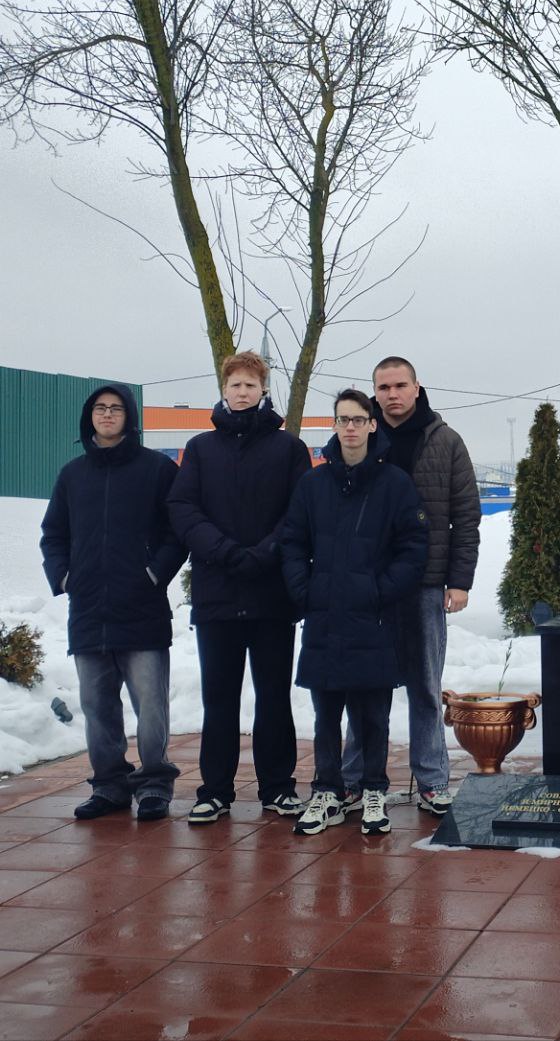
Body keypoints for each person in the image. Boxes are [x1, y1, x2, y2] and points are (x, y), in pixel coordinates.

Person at [168, 351, 312, 824]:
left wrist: (266, 552)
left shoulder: (288, 448)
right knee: (219, 699)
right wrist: (226, 552)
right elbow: (183, 509)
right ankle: (215, 790)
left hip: (272, 596)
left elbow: (300, 510)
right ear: (224, 390)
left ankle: (278, 787)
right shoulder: (200, 448)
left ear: (263, 390)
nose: (243, 392)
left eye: (251, 385)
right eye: (235, 385)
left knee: (273, 697)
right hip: (218, 593)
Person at [281, 390, 428, 836]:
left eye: (358, 419)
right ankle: (327, 790)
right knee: (325, 716)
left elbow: (413, 546)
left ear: (371, 425)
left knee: (373, 716)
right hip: (324, 617)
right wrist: (305, 590)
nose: (350, 427)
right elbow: (293, 541)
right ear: (334, 425)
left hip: (373, 618)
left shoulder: (394, 483)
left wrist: (381, 590)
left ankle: (373, 791)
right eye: (343, 419)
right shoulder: (313, 484)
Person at [339, 357, 480, 816]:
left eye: (400, 385)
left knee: (424, 686)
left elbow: (466, 517)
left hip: (425, 583)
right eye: (384, 387)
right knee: (363, 685)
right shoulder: (360, 438)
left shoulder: (446, 441)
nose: (392, 394)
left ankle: (432, 780)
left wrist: (459, 581)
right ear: (374, 392)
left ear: (417, 388)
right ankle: (354, 779)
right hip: (368, 585)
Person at [39, 384, 187, 821]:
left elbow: (177, 531)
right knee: (97, 705)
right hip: (89, 610)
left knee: (151, 707)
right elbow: (53, 534)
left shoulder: (157, 469)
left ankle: (155, 784)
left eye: (116, 408)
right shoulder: (72, 475)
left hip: (141, 607)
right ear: (90, 416)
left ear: (129, 417)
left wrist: (154, 573)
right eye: (100, 408)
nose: (107, 415)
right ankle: (109, 785)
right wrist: (64, 577)